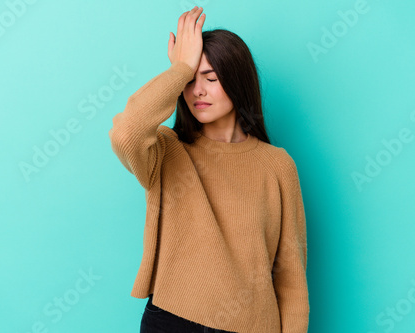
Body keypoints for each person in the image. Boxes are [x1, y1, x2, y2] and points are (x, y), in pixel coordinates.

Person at [108, 6, 309, 333]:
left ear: (237, 81)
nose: (196, 90)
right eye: (190, 80)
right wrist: (180, 68)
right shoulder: (166, 150)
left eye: (211, 78)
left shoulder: (277, 165)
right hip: (173, 320)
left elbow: (291, 278)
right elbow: (126, 131)